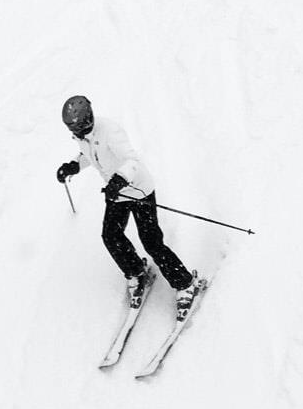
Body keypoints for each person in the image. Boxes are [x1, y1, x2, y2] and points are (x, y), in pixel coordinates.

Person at [56, 94, 199, 312]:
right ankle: (136, 271)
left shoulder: (109, 131)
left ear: (87, 120)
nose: (73, 133)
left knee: (152, 242)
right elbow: (89, 154)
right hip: (116, 194)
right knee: (110, 236)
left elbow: (132, 160)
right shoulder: (82, 136)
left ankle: (185, 284)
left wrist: (120, 179)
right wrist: (73, 166)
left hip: (138, 190)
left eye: (75, 128)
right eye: (71, 129)